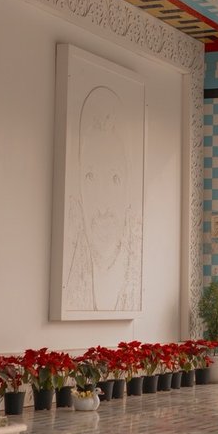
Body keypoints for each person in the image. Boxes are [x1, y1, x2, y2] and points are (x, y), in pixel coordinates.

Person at [63, 84, 139, 312]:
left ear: (129, 184)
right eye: (90, 177)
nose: (103, 206)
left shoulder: (136, 277)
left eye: (115, 178)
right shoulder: (70, 275)